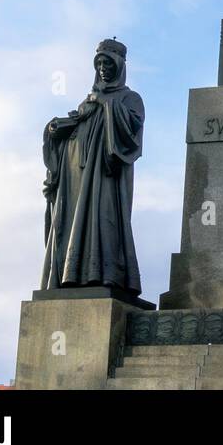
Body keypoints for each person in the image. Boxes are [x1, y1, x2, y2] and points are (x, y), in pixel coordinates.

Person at [41, 38, 144, 294]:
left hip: (105, 175)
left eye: (107, 63)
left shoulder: (130, 98)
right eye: (98, 63)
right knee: (73, 221)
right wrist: (56, 130)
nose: (102, 68)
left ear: (119, 66)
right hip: (76, 175)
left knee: (105, 219)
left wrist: (104, 104)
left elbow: (131, 135)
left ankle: (106, 273)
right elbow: (78, 128)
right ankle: (71, 276)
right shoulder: (85, 101)